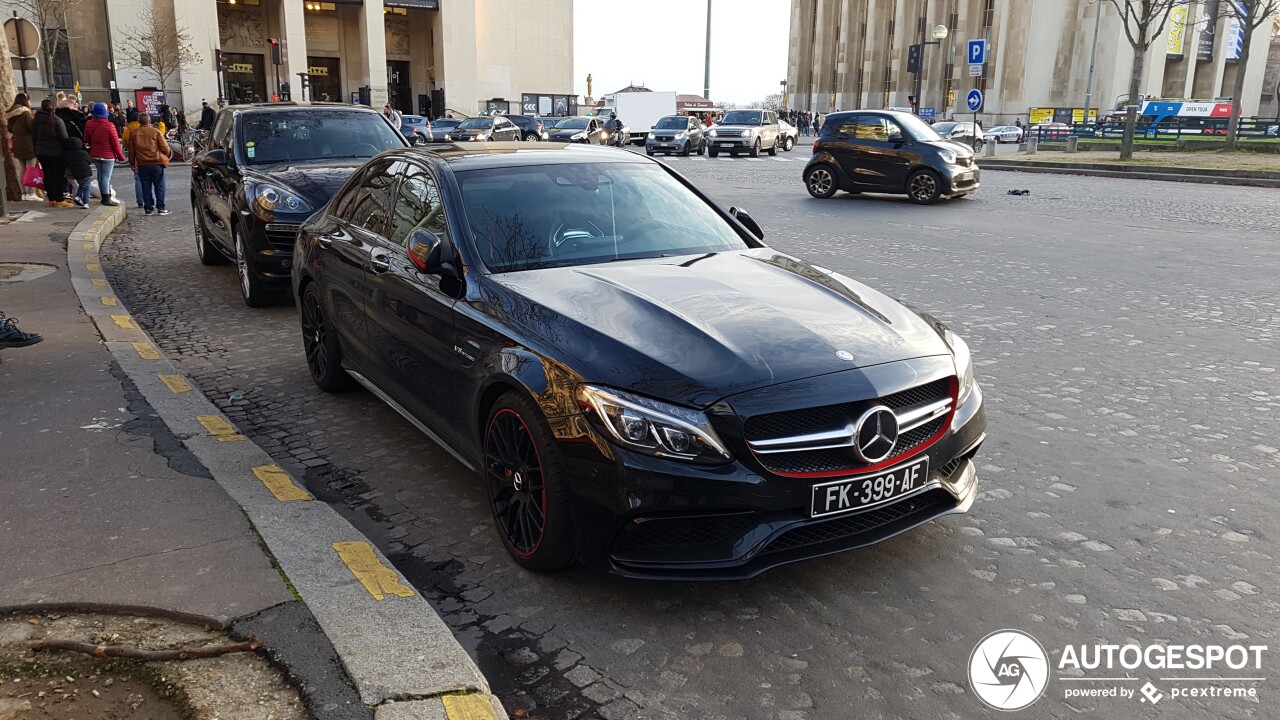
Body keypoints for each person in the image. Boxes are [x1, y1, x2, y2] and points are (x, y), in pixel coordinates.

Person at [125, 113, 170, 215]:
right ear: (149, 121)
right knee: (159, 185)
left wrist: (132, 163)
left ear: (139, 121)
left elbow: (131, 151)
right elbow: (165, 148)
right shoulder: (156, 132)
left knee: (146, 186)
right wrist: (165, 155)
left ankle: (148, 208)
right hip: (156, 162)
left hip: (142, 163)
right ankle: (161, 208)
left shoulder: (134, 133)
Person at [33, 99, 74, 208]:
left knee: (48, 175)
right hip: (56, 152)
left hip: (41, 152)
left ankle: (51, 199)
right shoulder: (56, 120)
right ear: (53, 107)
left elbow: (33, 137)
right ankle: (59, 199)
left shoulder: (36, 120)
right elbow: (63, 137)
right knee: (58, 176)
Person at [85, 102, 124, 207]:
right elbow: (115, 143)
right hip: (108, 155)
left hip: (95, 153)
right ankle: (106, 198)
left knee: (100, 176)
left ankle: (103, 196)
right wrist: (120, 156)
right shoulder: (109, 125)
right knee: (106, 177)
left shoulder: (89, 124)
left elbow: (87, 139)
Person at [6, 93, 40, 201]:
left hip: (17, 144)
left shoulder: (11, 114)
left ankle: (23, 193)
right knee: (30, 169)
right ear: (26, 101)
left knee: (22, 169)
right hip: (28, 144)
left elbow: (10, 129)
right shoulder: (25, 112)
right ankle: (30, 193)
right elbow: (32, 127)